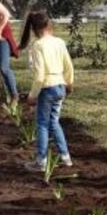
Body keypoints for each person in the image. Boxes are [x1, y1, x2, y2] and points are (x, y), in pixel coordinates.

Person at [20, 10, 75, 171]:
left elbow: (39, 75)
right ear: (48, 24)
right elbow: (68, 65)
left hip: (47, 88)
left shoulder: (37, 45)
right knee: (54, 122)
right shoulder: (59, 42)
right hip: (60, 86)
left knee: (42, 124)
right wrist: (69, 83)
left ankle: (41, 161)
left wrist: (32, 95)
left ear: (34, 29)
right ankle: (66, 158)